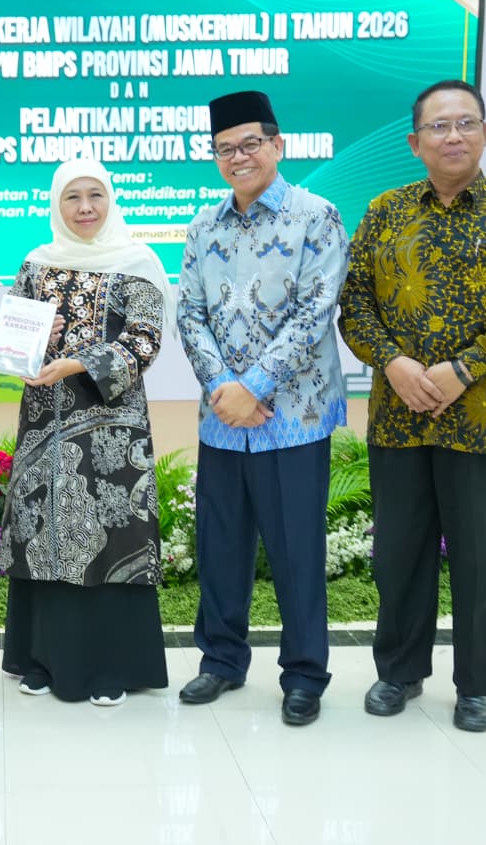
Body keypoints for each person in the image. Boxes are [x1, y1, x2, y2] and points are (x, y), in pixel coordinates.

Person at [338, 80, 486, 732]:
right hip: (399, 413)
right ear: (415, 143)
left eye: (466, 123)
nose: (453, 135)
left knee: (481, 557)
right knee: (399, 554)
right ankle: (399, 671)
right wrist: (394, 362)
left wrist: (466, 368)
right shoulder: (384, 212)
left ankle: (478, 685)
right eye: (438, 126)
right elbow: (355, 302)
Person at [176, 91, 349, 727]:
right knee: (220, 545)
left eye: (250, 144)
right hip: (223, 418)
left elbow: (314, 311)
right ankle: (221, 660)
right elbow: (189, 314)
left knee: (296, 550)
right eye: (225, 148)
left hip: (292, 418)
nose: (238, 157)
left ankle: (304, 674)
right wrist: (224, 386)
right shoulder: (203, 226)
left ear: (277, 145)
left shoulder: (316, 217)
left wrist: (253, 386)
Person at [0, 158, 169, 706]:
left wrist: (77, 363)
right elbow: (15, 342)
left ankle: (109, 667)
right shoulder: (36, 263)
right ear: (57, 204)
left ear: (111, 199)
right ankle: (42, 660)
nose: (85, 207)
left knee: (110, 533)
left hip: (111, 429)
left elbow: (145, 340)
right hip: (43, 424)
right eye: (72, 197)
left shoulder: (137, 262)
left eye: (95, 195)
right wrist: (25, 346)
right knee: (43, 533)